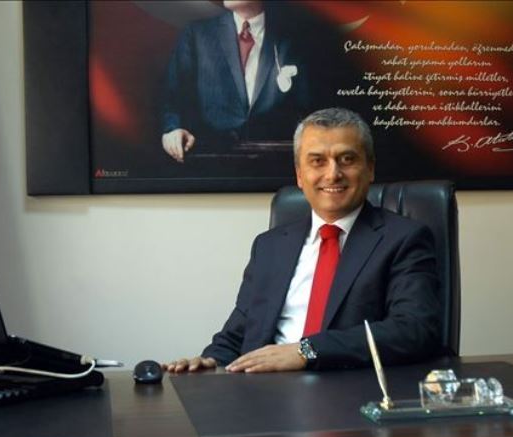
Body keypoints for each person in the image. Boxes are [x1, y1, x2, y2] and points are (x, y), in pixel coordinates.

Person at [164, 108, 441, 373]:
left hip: (349, 390)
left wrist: (306, 351)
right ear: (299, 174)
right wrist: (210, 361)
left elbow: (413, 330)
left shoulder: (403, 239)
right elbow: (237, 335)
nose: (332, 174)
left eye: (347, 159)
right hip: (262, 391)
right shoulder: (269, 246)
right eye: (317, 161)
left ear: (370, 168)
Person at [160, 0, 311, 163]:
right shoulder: (197, 34)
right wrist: (173, 129)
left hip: (276, 160)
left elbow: (309, 108)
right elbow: (173, 99)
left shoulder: (296, 37)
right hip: (210, 160)